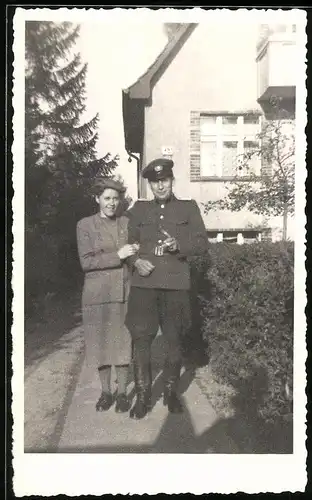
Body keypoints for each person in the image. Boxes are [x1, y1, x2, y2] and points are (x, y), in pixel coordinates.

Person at [125, 158, 209, 419]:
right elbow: (127, 244)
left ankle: (171, 393)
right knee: (141, 342)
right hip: (144, 287)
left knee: (174, 342)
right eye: (155, 182)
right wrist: (135, 261)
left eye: (164, 180)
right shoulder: (138, 210)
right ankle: (142, 397)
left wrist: (179, 245)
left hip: (175, 287)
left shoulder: (188, 208)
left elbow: (201, 244)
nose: (160, 186)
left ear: (172, 181)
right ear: (150, 185)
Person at [76, 178, 139, 413]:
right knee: (100, 346)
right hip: (97, 295)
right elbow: (86, 262)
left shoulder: (127, 222)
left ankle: (122, 394)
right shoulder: (85, 225)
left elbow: (134, 253)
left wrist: (135, 252)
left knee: (123, 344)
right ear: (98, 199)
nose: (112, 203)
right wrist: (119, 255)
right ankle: (105, 393)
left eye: (115, 198)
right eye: (107, 198)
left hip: (123, 292)